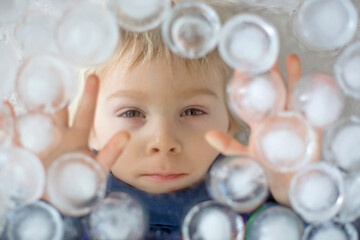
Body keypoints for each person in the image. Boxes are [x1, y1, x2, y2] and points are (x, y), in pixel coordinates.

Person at [29, 1, 319, 239]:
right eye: (131, 113)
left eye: (192, 111)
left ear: (231, 119)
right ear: (90, 127)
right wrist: (46, 209)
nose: (163, 141)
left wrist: (299, 197)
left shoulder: (253, 202)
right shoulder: (73, 206)